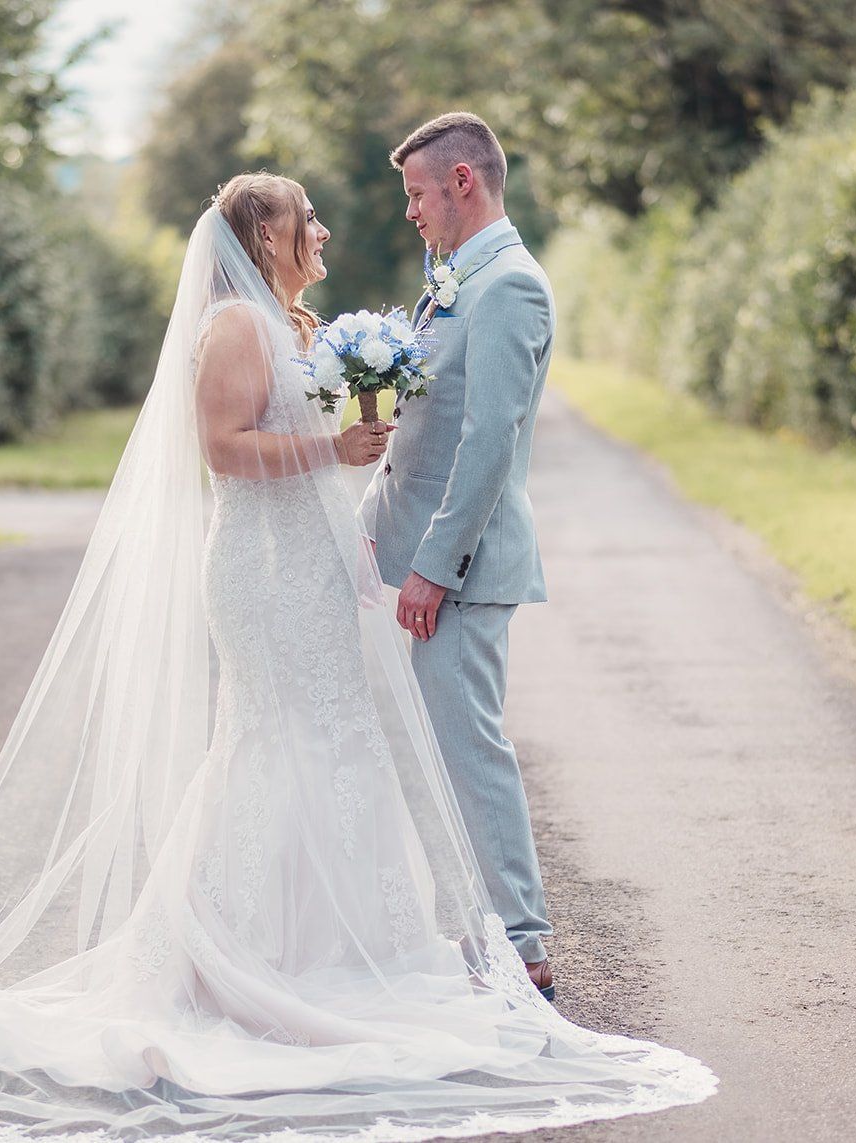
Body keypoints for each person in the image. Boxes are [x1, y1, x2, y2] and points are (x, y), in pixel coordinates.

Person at [0, 171, 715, 1141]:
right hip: (259, 570)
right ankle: (236, 962)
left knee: (333, 739)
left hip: (307, 563)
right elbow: (221, 450)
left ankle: (345, 950)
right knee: (276, 740)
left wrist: (358, 442)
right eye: (306, 219)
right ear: (264, 232)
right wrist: (330, 448)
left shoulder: (287, 322)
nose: (323, 232)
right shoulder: (230, 325)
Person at [359, 111, 558, 997]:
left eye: (417, 193)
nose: (411, 211)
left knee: (470, 751)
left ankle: (523, 947)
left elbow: (488, 442)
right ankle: (479, 934)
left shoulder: (509, 286)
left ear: (463, 182)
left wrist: (435, 565)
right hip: (414, 551)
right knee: (442, 751)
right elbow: (424, 433)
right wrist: (366, 523)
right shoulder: (453, 281)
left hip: (465, 571)